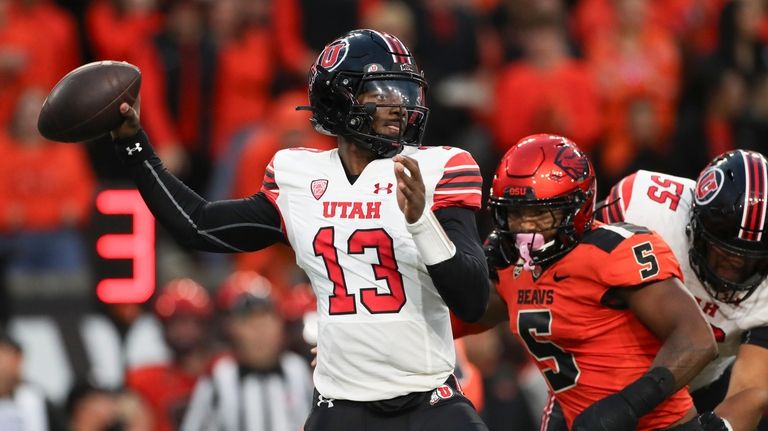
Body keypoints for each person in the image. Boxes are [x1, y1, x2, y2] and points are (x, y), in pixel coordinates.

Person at [108, 29, 489, 430]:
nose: (399, 107)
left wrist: (420, 222)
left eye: (405, 93)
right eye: (382, 94)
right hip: (342, 408)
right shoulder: (300, 176)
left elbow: (472, 298)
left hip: (428, 400)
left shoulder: (438, 169)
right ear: (338, 99)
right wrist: (134, 146)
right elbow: (198, 226)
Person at [470, 134, 717, 430]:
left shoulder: (613, 252)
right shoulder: (511, 263)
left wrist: (627, 405)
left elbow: (697, 340)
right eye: (515, 213)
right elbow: (473, 312)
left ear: (575, 208)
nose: (525, 227)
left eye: (539, 214)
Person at [599, 149, 768, 431]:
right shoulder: (646, 210)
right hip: (602, 374)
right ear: (695, 225)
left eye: (751, 259)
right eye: (723, 251)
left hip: (695, 391)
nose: (735, 264)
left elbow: (751, 392)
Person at [181, 271, 312, 431]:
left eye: (266, 318)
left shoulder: (297, 371)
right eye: (249, 322)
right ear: (231, 328)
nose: (260, 330)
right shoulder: (218, 377)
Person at [126, 278, 214, 431]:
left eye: (188, 321)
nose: (182, 331)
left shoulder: (223, 371)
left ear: (203, 324)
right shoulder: (145, 380)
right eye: (174, 323)